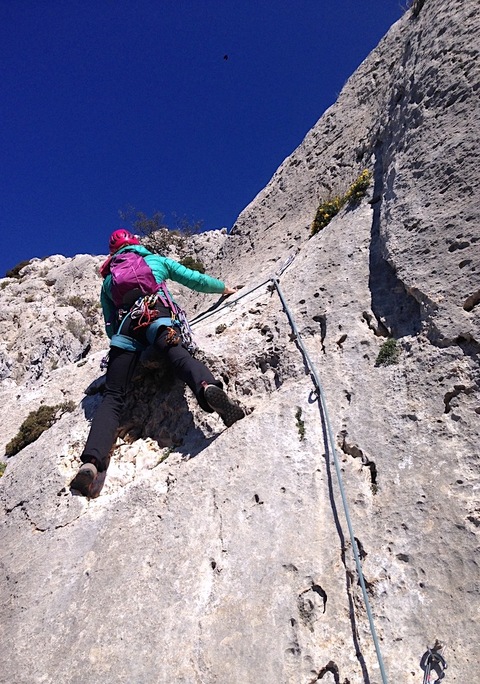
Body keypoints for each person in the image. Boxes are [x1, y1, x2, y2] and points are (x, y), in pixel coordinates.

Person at [71, 229, 244, 497]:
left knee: (113, 396)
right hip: (158, 316)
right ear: (136, 245)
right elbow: (194, 279)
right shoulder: (156, 261)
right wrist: (224, 288)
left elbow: (109, 322)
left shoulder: (109, 281)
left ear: (113, 253)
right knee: (180, 357)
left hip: (127, 332)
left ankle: (90, 464)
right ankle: (207, 388)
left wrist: (123, 346)